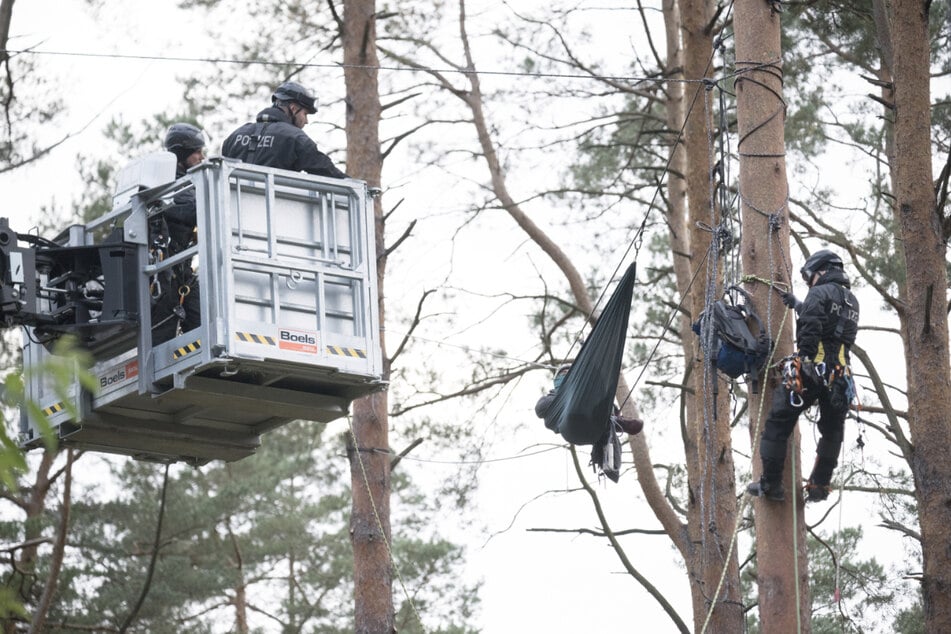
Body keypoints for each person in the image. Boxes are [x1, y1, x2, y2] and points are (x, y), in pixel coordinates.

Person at [747, 249, 860, 503]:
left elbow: (812, 327)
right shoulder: (852, 301)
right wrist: (799, 305)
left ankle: (771, 483)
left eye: (811, 276)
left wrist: (804, 359)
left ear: (822, 270)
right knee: (832, 431)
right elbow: (832, 326)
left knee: (778, 421)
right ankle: (819, 484)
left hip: (813, 370)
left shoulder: (819, 293)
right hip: (841, 377)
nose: (810, 281)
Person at [535, 364, 643, 482]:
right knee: (576, 406)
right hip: (571, 427)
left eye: (568, 373)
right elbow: (540, 409)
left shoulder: (585, 392)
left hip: (591, 424)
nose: (565, 375)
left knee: (599, 402)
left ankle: (615, 424)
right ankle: (615, 423)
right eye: (562, 374)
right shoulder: (549, 398)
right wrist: (564, 399)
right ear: (556, 380)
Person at [220, 81, 348, 178]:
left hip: (232, 210)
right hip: (276, 210)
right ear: (293, 108)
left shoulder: (235, 136)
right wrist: (353, 185)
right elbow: (324, 169)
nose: (306, 121)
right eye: (305, 114)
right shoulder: (295, 137)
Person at [151, 122, 205, 343]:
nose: (202, 157)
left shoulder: (187, 183)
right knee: (163, 337)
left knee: (201, 321)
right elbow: (196, 211)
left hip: (182, 273)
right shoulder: (172, 184)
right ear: (182, 154)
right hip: (166, 277)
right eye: (197, 153)